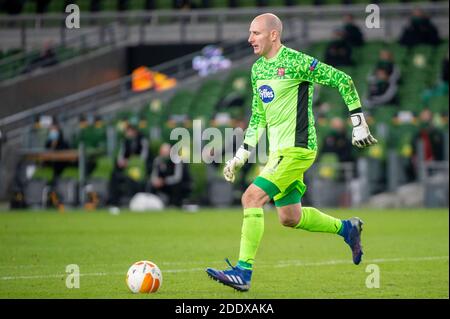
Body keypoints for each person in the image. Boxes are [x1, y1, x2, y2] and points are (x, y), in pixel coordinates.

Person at [206, 13, 377, 292]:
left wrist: (358, 123)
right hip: (278, 153)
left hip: (298, 148)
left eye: (256, 33)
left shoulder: (297, 62)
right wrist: (241, 155)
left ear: (273, 35)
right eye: (250, 33)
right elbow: (258, 118)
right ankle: (348, 228)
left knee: (251, 197)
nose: (250, 39)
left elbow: (342, 79)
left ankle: (243, 272)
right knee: (289, 217)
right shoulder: (257, 70)